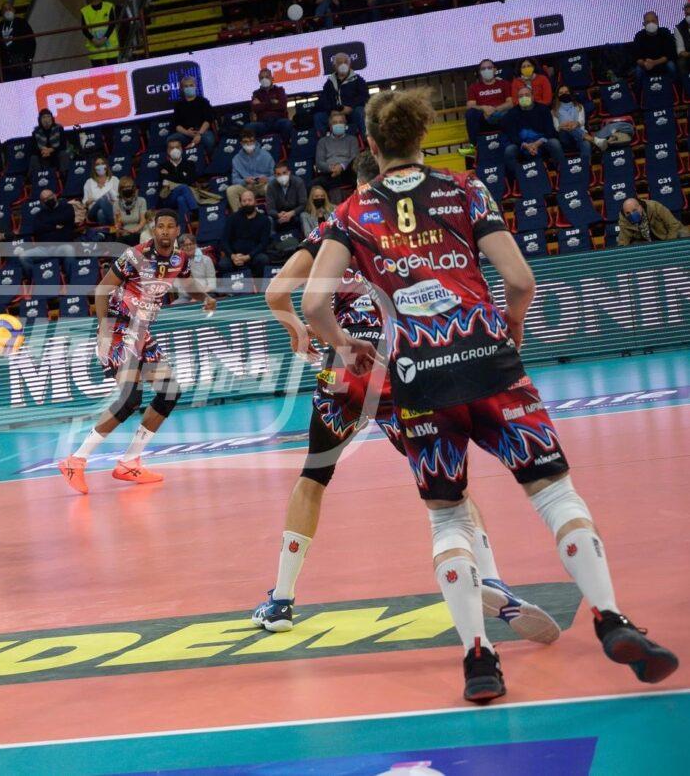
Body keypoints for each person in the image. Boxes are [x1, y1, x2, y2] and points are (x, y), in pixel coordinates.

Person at [303, 87, 679, 702]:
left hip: (420, 378)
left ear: (370, 143)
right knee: (554, 493)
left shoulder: (350, 212)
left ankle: (478, 659)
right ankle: (610, 617)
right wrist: (514, 325)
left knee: (448, 515)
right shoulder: (465, 189)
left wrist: (347, 347)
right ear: (422, 136)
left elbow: (314, 303)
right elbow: (520, 278)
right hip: (490, 362)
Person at [251, 152, 560, 646]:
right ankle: (492, 579)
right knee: (448, 487)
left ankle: (281, 601)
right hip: (406, 366)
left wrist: (297, 331)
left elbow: (276, 293)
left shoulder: (339, 223)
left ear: (356, 185)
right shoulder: (423, 221)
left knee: (313, 477)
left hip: (348, 368)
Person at [58, 210, 216, 492]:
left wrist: (204, 297)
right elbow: (102, 290)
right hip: (118, 329)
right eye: (160, 226)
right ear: (154, 230)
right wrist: (104, 330)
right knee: (130, 398)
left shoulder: (180, 259)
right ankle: (75, 460)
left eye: (170, 226)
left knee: (169, 392)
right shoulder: (135, 255)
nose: (165, 231)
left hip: (141, 333)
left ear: (177, 231)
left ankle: (129, 462)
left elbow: (188, 283)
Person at [501, 86, 565, 177]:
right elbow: (512, 135)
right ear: (517, 99)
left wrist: (536, 144)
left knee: (554, 143)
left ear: (532, 96)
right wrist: (526, 145)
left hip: (541, 141)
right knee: (509, 150)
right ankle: (519, 178)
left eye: (527, 95)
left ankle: (562, 173)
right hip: (522, 144)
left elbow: (550, 131)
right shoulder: (511, 113)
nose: (524, 97)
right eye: (521, 96)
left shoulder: (543, 109)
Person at [220, 189, 271, 283]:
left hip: (253, 256)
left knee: (263, 259)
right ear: (241, 203)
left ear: (255, 202)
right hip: (235, 256)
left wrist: (248, 256)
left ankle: (259, 286)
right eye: (244, 201)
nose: (247, 203)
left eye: (250, 200)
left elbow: (263, 243)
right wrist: (232, 256)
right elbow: (224, 240)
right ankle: (231, 288)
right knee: (223, 264)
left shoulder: (264, 220)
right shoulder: (232, 218)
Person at [463, 59, 513, 150]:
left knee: (512, 112)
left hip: (501, 114)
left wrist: (495, 109)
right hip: (484, 118)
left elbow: (510, 103)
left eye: (489, 68)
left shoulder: (504, 84)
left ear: (495, 69)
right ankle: (473, 146)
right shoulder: (474, 87)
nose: (486, 70)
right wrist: (483, 108)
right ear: (480, 72)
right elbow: (470, 105)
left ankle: (512, 143)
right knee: (470, 113)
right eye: (483, 69)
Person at [315, 52, 368, 137]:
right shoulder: (329, 82)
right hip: (334, 112)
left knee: (360, 112)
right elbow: (323, 100)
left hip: (351, 112)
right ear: (335, 66)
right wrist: (332, 110)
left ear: (349, 64)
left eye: (345, 62)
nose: (343, 65)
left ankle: (367, 139)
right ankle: (323, 141)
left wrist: (350, 107)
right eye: (340, 63)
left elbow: (364, 97)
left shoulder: (358, 80)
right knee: (319, 117)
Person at [312, 112, 360, 196]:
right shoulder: (322, 141)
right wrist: (332, 168)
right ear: (330, 127)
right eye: (335, 123)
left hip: (347, 172)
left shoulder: (352, 139)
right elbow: (319, 162)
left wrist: (341, 166)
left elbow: (355, 157)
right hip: (329, 174)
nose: (338, 124)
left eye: (341, 122)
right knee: (311, 186)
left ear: (345, 125)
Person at [227, 130, 275, 211]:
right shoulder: (236, 159)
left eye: (251, 141)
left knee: (270, 187)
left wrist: (267, 179)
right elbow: (234, 180)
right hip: (247, 187)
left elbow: (276, 175)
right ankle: (239, 216)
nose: (249, 144)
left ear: (255, 141)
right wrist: (245, 181)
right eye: (246, 142)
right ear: (241, 143)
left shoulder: (266, 155)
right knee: (231, 190)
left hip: (263, 185)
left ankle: (273, 213)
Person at [168, 76, 217, 153]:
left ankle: (209, 158)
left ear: (195, 86)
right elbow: (176, 125)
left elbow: (208, 120)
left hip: (203, 132)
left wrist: (199, 134)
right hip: (185, 134)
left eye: (191, 85)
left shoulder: (203, 101)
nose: (189, 88)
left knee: (209, 140)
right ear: (182, 89)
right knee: (171, 139)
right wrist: (187, 132)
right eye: (186, 86)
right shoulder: (178, 105)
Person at [158, 138, 200, 229]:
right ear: (167, 150)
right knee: (183, 187)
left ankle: (183, 229)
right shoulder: (162, 166)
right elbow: (164, 183)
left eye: (177, 147)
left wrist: (170, 176)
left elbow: (191, 180)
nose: (174, 150)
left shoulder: (189, 164)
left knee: (181, 199)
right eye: (171, 148)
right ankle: (196, 211)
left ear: (181, 149)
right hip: (169, 198)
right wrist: (183, 177)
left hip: (185, 196)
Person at [617, 197, 689, 245]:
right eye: (628, 213)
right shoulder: (624, 219)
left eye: (634, 210)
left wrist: (668, 243)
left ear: (640, 207)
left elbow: (674, 225)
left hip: (665, 237)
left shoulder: (655, 206)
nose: (631, 214)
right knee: (633, 245)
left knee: (683, 234)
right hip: (646, 243)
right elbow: (623, 240)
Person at [0, 2, 36, 81]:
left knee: (24, 83)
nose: (7, 11)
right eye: (5, 9)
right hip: (6, 65)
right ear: (2, 13)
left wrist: (30, 57)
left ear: (14, 10)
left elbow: (31, 40)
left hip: (22, 62)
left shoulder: (21, 22)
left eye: (9, 8)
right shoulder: (0, 26)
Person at [249, 68, 294, 141]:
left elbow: (282, 105)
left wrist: (262, 104)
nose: (264, 79)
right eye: (262, 78)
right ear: (259, 80)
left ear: (272, 78)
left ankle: (285, 145)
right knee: (249, 127)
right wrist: (272, 102)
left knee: (287, 124)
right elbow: (255, 108)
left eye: (267, 77)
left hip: (278, 121)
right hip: (263, 123)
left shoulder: (280, 90)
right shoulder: (256, 93)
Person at [265, 160, 307, 237]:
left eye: (284, 173)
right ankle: (273, 241)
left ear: (289, 172)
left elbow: (303, 204)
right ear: (275, 175)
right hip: (279, 216)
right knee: (269, 219)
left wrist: (291, 213)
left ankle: (307, 238)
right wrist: (278, 215)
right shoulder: (271, 186)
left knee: (303, 215)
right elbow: (270, 209)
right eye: (278, 174)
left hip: (295, 214)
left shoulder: (298, 182)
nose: (282, 176)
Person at [634, 10, 677, 81]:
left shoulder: (665, 32)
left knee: (671, 65)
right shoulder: (639, 36)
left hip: (662, 62)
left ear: (657, 21)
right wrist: (644, 63)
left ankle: (676, 86)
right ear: (643, 24)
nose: (651, 24)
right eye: (648, 22)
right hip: (646, 64)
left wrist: (654, 63)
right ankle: (640, 88)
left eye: (653, 21)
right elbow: (637, 57)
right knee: (638, 71)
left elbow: (670, 54)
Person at [552, 85, 590, 163]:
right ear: (557, 96)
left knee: (586, 144)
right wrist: (563, 127)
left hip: (579, 138)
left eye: (566, 92)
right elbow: (556, 127)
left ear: (570, 93)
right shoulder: (554, 110)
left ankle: (584, 167)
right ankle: (591, 139)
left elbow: (582, 121)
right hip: (566, 138)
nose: (564, 94)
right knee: (569, 129)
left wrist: (576, 124)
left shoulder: (579, 106)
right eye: (561, 93)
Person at [29, 109, 70, 175]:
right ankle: (38, 178)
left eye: (48, 116)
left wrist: (51, 150)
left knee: (64, 154)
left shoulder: (59, 128)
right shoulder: (36, 132)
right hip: (43, 155)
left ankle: (65, 177)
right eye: (44, 117)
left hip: (56, 154)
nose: (46, 119)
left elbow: (63, 145)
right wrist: (43, 151)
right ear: (40, 120)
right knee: (34, 158)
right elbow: (33, 149)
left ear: (52, 118)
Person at [80, 0, 119, 67]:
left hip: (105, 46)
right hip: (97, 47)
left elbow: (112, 25)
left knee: (111, 69)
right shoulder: (85, 11)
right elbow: (84, 29)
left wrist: (97, 40)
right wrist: (97, 40)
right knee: (101, 71)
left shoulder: (109, 6)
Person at [115, 176, 151, 247]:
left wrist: (134, 230)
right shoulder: (116, 204)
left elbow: (143, 221)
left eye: (129, 187)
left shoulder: (141, 201)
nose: (127, 189)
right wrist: (118, 223)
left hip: (140, 233)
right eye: (124, 187)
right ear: (120, 190)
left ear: (133, 188)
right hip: (125, 235)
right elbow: (118, 228)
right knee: (119, 242)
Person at [83, 156, 119, 225]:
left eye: (102, 163)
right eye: (97, 164)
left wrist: (109, 203)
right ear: (94, 168)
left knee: (101, 213)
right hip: (92, 212)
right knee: (103, 199)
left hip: (112, 210)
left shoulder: (114, 179)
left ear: (106, 166)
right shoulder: (89, 182)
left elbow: (119, 199)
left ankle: (106, 231)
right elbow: (85, 203)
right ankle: (116, 223)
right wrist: (93, 200)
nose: (100, 166)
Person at [674, 2, 690, 78]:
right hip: (688, 56)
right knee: (681, 62)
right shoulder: (679, 28)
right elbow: (681, 52)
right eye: (687, 14)